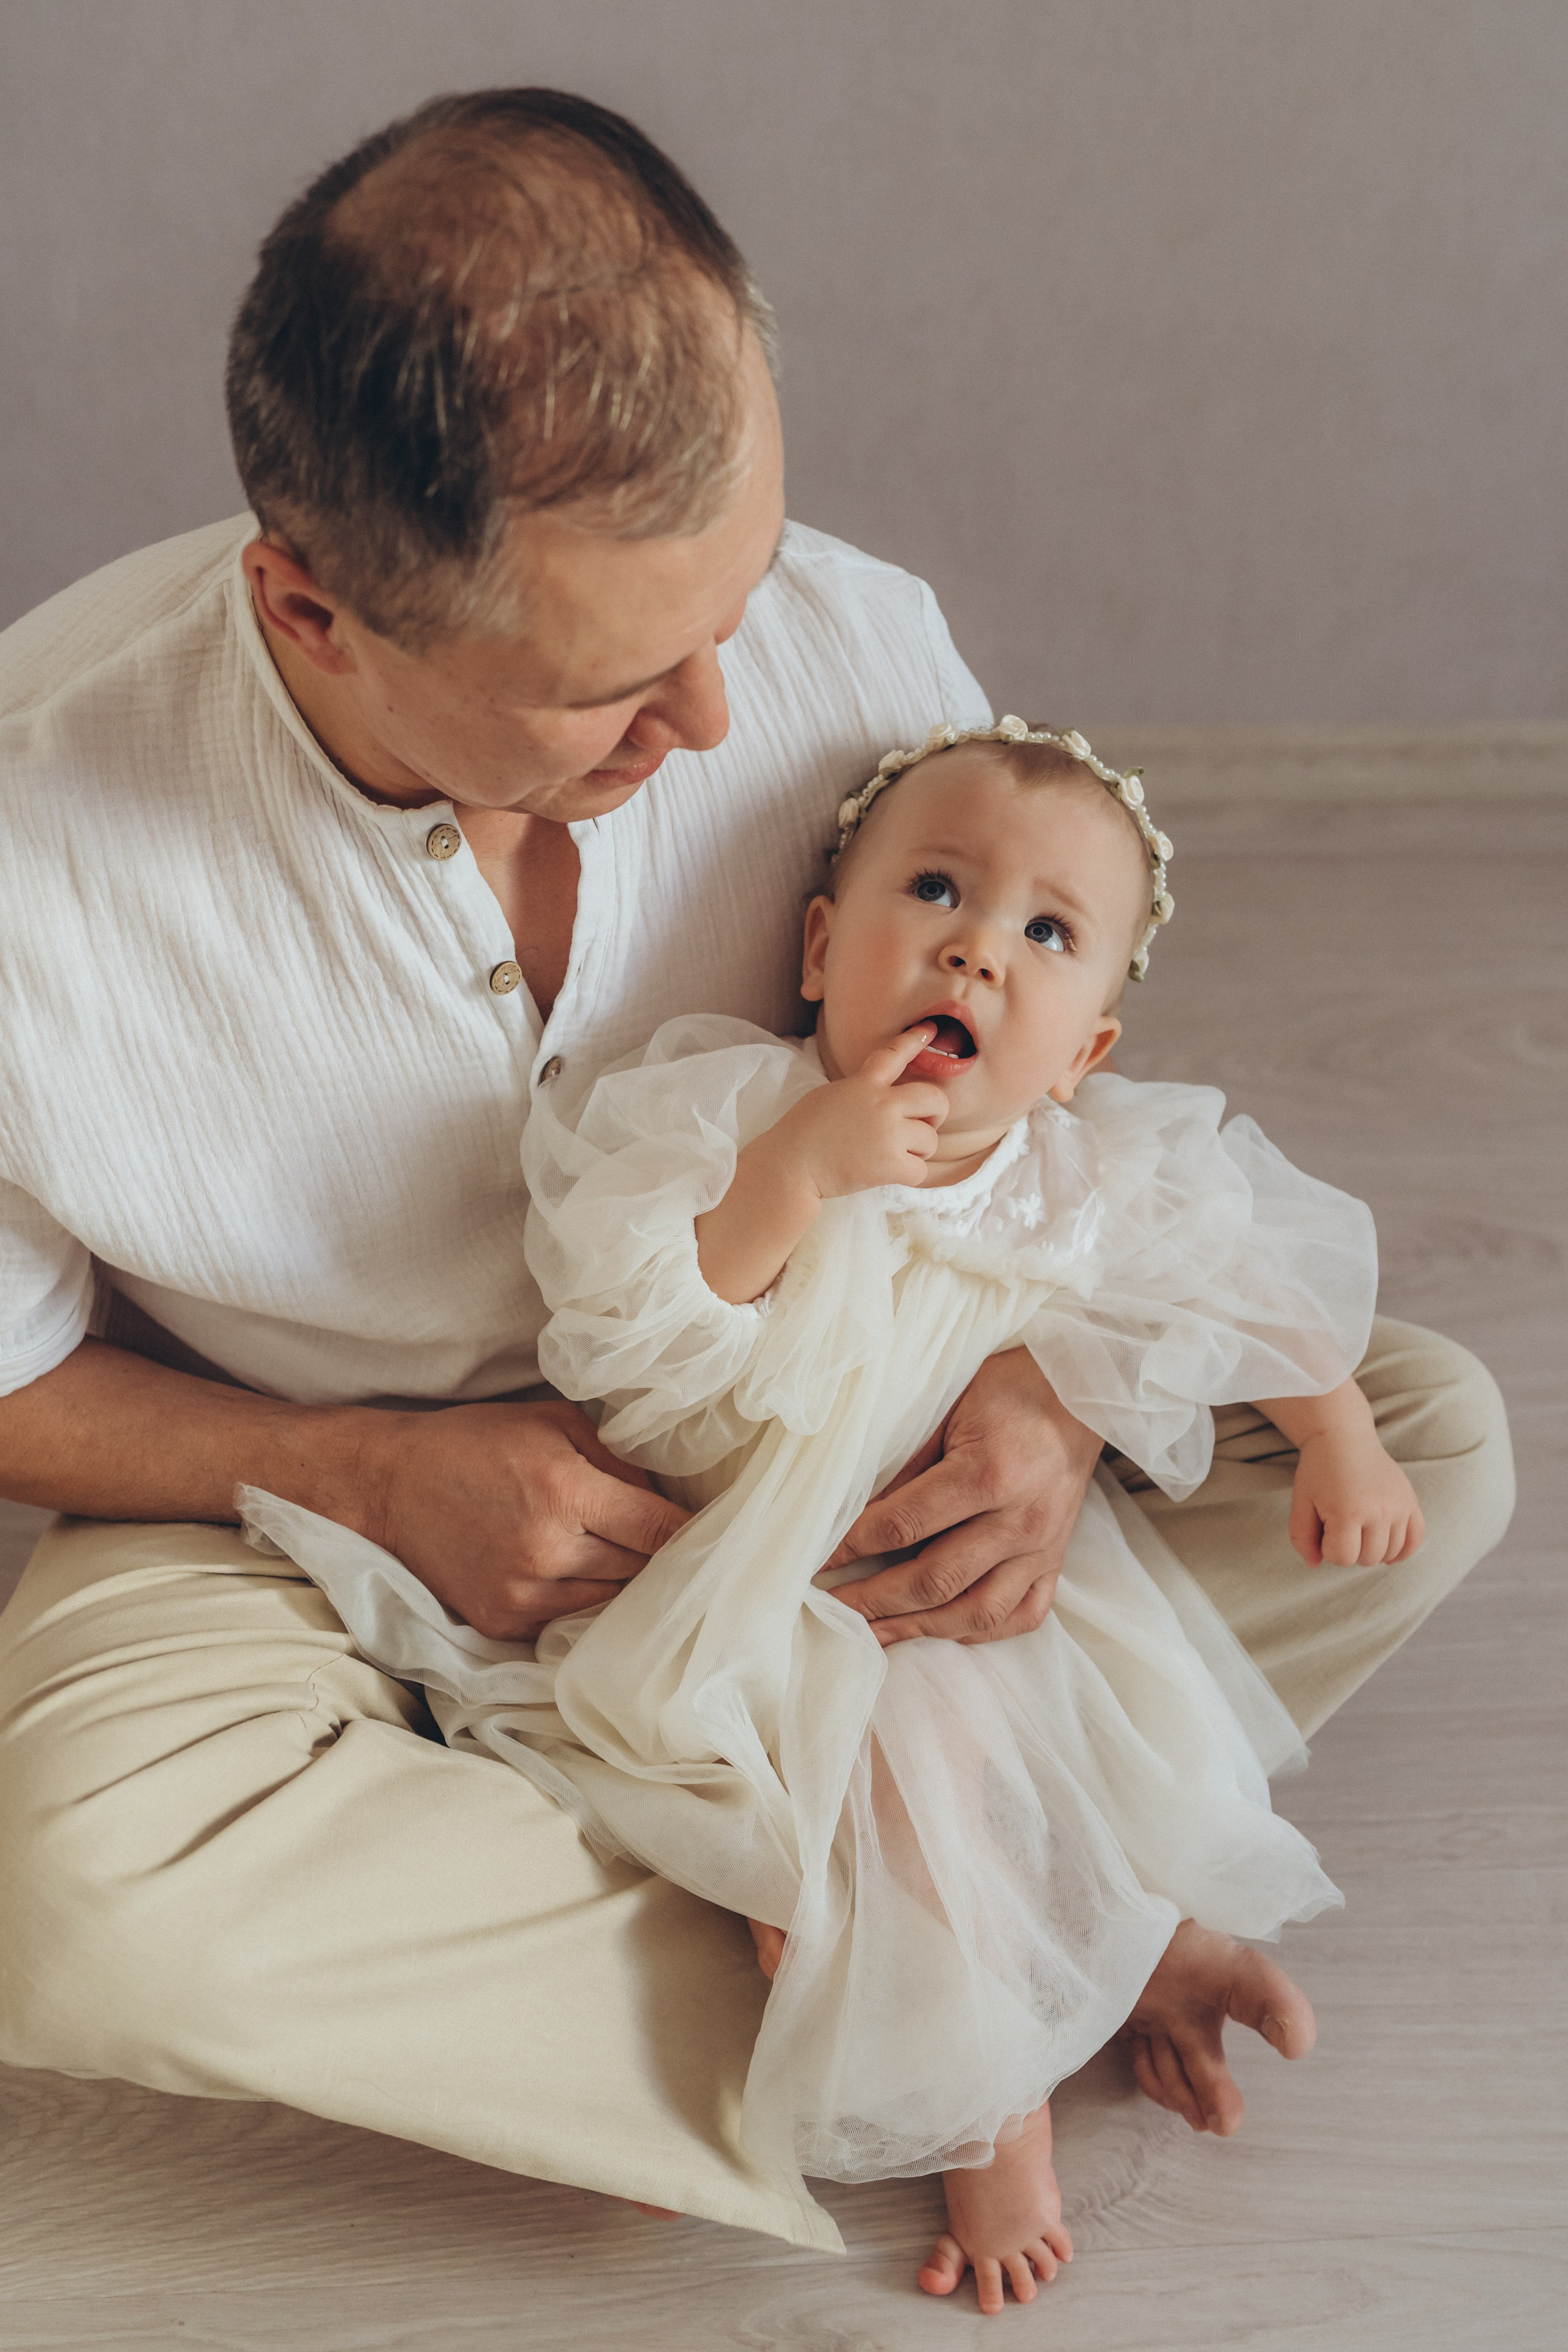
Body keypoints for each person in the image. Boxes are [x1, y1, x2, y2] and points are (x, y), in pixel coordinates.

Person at [0, 91, 1513, 2250]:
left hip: (854, 1431)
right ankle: (984, 1945)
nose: (723, 720)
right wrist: (357, 1470)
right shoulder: (34, 826)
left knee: (1424, 1438)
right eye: (612, 688)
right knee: (76, 1898)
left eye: (744, 596)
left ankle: (861, 1917)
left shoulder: (844, 635)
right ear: (314, 612)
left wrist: (1042, 1403)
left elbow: (1019, 1096)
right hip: (320, 1498)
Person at [244, 719, 1423, 2311]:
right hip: (751, 1574)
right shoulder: (735, 1114)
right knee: (819, 1843)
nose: (976, 949)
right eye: (936, 890)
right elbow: (647, 1355)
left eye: (1045, 933)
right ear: (821, 946)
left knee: (981, 1768)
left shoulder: (1078, 1171)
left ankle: (1023, 2071)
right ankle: (1053, 2015)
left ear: (1087, 1047)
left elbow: (1242, 1277)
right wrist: (800, 1172)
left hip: (963, 1584)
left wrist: (1343, 1437)